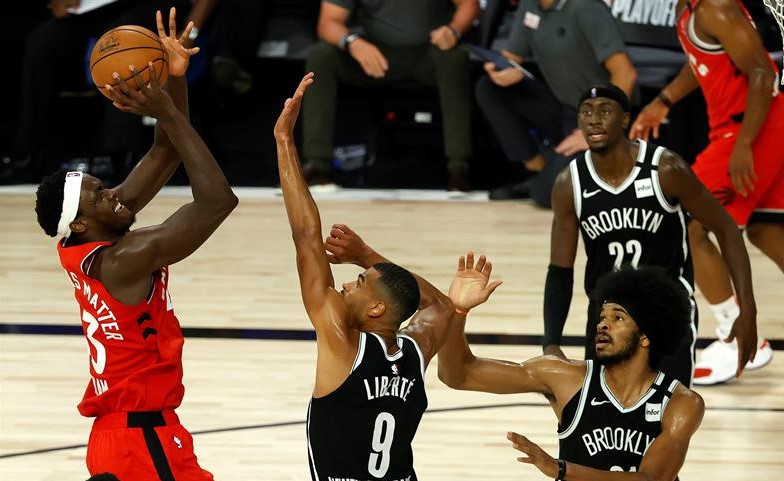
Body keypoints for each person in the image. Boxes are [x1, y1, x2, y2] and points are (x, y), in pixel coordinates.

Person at [34, 10, 237, 480]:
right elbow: (216, 202)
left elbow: (165, 151)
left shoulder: (85, 237)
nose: (116, 194)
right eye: (102, 194)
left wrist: (174, 80)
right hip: (142, 442)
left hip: (126, 436)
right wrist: (164, 109)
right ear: (84, 221)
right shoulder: (124, 259)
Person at [274, 73, 454, 480]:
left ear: (376, 308)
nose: (345, 284)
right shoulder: (414, 353)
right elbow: (440, 305)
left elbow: (306, 236)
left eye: (358, 282)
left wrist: (284, 140)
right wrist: (365, 257)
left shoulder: (343, 342)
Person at [543, 84, 757, 386]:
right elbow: (560, 270)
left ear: (625, 120)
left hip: (666, 311)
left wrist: (747, 309)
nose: (594, 120)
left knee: (667, 424)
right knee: (606, 427)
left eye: (605, 111)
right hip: (606, 317)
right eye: (587, 113)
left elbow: (726, 230)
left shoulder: (665, 169)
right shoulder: (569, 184)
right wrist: (551, 342)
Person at [439, 256, 705, 480]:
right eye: (602, 317)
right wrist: (457, 311)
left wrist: (560, 469)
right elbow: (459, 374)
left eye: (618, 317)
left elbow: (651, 479)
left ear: (646, 336)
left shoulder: (681, 403)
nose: (602, 324)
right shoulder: (565, 378)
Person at [629, 0, 779, 385]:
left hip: (750, 128)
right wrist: (663, 102)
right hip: (751, 127)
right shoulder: (687, 8)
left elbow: (764, 73)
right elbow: (701, 63)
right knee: (766, 230)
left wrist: (745, 145)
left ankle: (737, 334)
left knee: (685, 224)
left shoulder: (715, 7)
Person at [10, 0, 217, 182]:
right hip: (91, 8)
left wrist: (192, 31)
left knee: (122, 52)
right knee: (42, 43)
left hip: (150, 6)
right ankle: (28, 154)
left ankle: (118, 156)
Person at [301, 0, 480, 191]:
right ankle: (318, 165)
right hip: (375, 54)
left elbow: (470, 4)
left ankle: (459, 167)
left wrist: (454, 30)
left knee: (455, 58)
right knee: (321, 56)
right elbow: (328, 22)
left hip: (429, 51)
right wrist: (352, 42)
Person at [476, 0, 636, 206]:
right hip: (565, 108)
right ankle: (539, 168)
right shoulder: (530, 6)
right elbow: (511, 57)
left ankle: (594, 170)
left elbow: (625, 73)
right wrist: (499, 70)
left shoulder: (587, 8)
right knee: (488, 87)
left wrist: (598, 129)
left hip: (601, 114)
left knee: (545, 195)